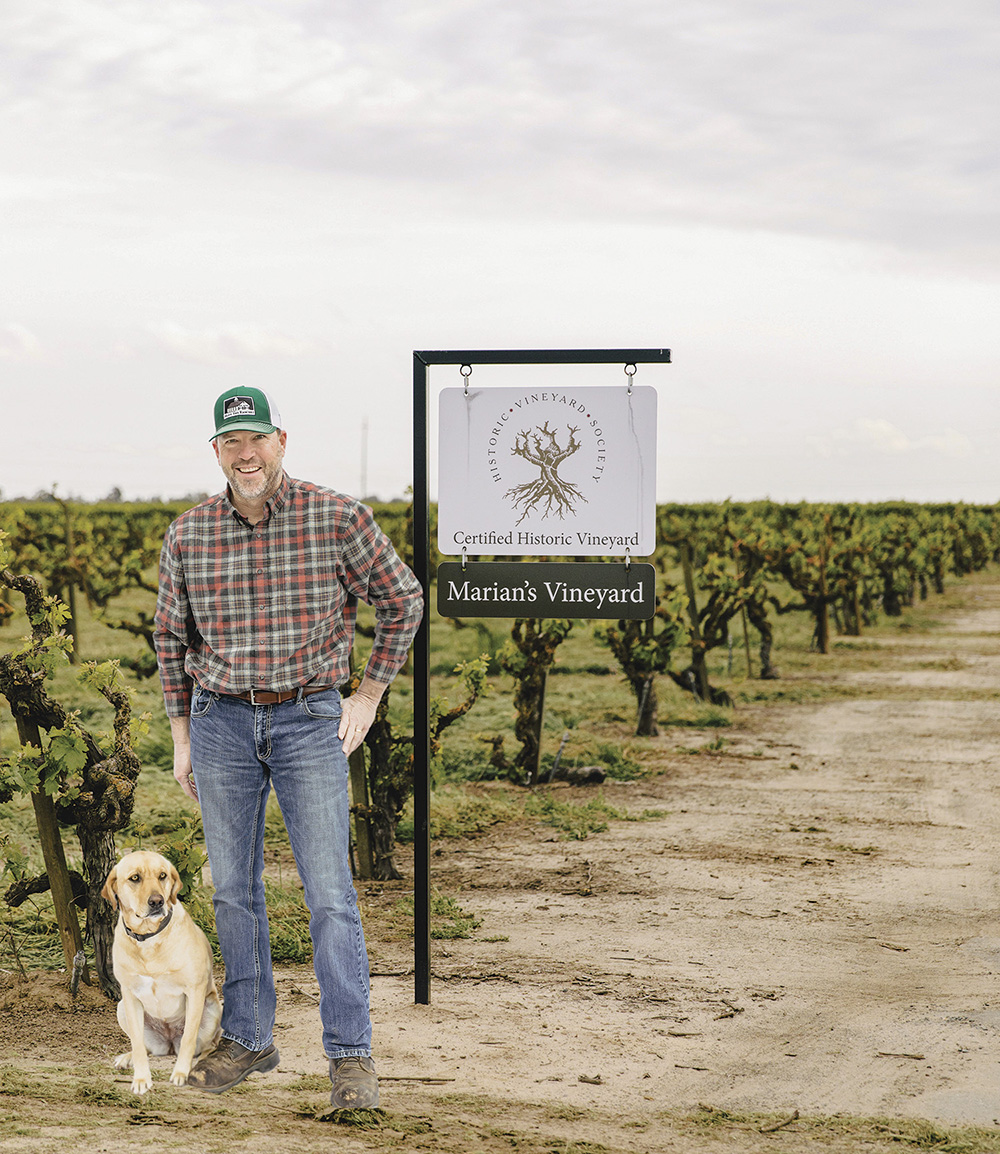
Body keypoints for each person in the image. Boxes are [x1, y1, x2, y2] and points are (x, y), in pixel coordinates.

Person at [153, 387, 423, 1107]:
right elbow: (170, 640)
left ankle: (351, 1056)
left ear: (280, 440)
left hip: (309, 719)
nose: (246, 455)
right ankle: (248, 1037)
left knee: (330, 893)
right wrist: (182, 735)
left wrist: (365, 696)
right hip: (220, 723)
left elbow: (404, 599)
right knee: (233, 891)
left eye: (256, 440)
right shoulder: (189, 534)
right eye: (230, 443)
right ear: (216, 451)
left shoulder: (338, 518)